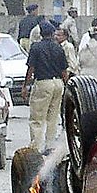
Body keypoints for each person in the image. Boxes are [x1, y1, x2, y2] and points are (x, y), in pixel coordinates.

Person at [23, 20, 68, 152]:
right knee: (53, 116)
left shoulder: (36, 47)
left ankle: (36, 147)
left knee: (37, 117)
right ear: (52, 33)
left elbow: (31, 68)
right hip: (58, 83)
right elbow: (64, 70)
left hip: (43, 83)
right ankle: (49, 145)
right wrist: (66, 86)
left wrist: (25, 85)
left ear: (41, 33)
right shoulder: (58, 47)